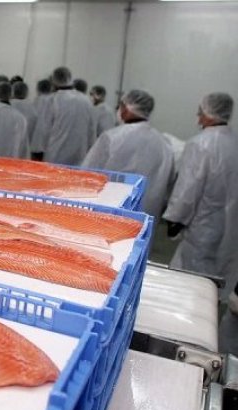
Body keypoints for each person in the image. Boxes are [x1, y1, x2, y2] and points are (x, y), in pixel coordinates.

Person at [163, 93, 238, 297]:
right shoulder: (234, 142)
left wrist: (174, 220)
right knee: (218, 278)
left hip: (203, 226)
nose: (198, 118)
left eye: (201, 113)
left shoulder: (200, 144)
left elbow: (187, 189)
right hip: (230, 226)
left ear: (210, 113)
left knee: (191, 281)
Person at [83, 90, 174, 220]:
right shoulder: (164, 144)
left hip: (110, 213)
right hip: (146, 216)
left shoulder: (112, 138)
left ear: (126, 109)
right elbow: (168, 185)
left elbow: (87, 173)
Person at [41, 67, 96, 165]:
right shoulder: (86, 100)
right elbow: (91, 130)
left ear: (54, 81)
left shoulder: (52, 100)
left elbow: (45, 130)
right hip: (80, 156)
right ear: (70, 78)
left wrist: (43, 149)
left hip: (55, 155)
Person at [30, 78, 53, 160]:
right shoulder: (54, 101)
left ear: (38, 89)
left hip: (34, 142)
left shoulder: (35, 101)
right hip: (48, 142)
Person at [11, 81, 37, 150]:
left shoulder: (8, 106)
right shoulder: (32, 108)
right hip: (26, 146)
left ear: (12, 91)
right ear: (26, 92)